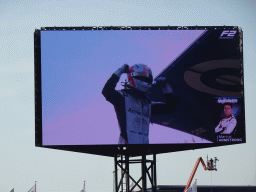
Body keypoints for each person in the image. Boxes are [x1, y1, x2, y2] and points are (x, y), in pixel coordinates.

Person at [102, 64, 175, 144]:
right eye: (142, 76)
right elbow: (107, 91)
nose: (145, 79)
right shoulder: (122, 97)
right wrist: (120, 71)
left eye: (147, 78)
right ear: (131, 76)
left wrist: (166, 87)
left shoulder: (148, 104)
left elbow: (170, 107)